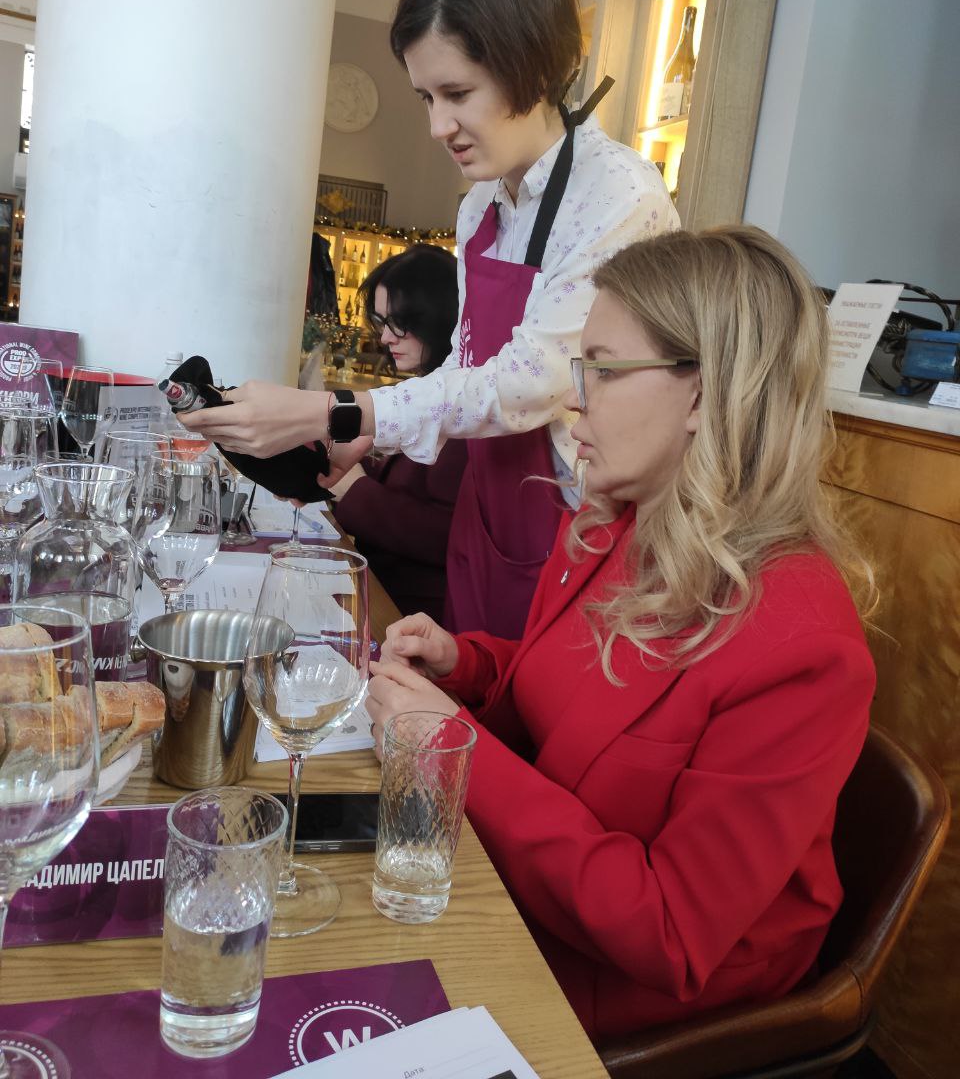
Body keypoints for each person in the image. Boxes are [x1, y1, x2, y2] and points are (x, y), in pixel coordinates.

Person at [365, 225, 877, 1043]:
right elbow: (564, 697)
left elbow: (670, 934)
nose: (577, 402)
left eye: (602, 369)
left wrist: (448, 747)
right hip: (538, 899)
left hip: (649, 998)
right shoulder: (616, 524)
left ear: (706, 395)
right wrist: (467, 663)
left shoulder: (803, 647)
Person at [178, 0, 679, 639]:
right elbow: (467, 368)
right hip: (486, 516)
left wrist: (331, 412)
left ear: (534, 66)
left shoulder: (617, 194)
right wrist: (371, 440)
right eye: (426, 96)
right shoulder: (480, 208)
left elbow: (527, 385)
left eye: (458, 93)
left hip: (576, 528)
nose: (439, 125)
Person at [329, 245, 466, 622]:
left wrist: (353, 488)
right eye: (381, 322)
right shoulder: (426, 391)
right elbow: (405, 483)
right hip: (382, 595)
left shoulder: (468, 408)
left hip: (420, 618)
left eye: (400, 322)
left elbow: (447, 535)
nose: (386, 337)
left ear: (440, 316)